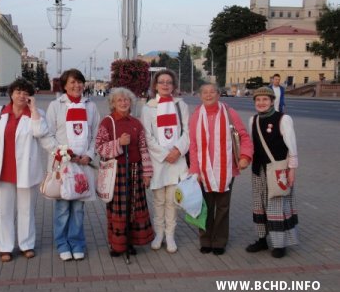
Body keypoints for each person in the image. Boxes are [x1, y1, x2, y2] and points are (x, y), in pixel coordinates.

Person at [0, 78, 50, 263]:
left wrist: (33, 111)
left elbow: (41, 133)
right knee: (4, 211)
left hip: (26, 170)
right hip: (3, 170)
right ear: (11, 93)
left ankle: (26, 245)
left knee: (26, 210)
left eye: (26, 93)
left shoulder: (37, 113)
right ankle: (4, 247)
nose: (21, 96)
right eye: (18, 92)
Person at [188, 83, 253, 255]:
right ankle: (205, 239)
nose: (208, 95)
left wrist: (245, 157)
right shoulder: (196, 116)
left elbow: (244, 137)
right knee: (205, 207)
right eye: (205, 92)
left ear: (218, 95)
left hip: (226, 169)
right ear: (200, 96)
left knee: (223, 207)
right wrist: (195, 171)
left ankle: (219, 241)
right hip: (203, 170)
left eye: (212, 92)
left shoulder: (230, 113)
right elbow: (193, 146)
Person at [44, 69, 100, 261]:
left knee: (78, 208)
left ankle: (77, 243)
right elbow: (48, 135)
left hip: (82, 165)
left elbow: (95, 135)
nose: (77, 86)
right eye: (72, 82)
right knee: (62, 208)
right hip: (63, 165)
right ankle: (62, 244)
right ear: (64, 85)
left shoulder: (90, 107)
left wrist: (90, 155)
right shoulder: (55, 106)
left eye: (80, 82)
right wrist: (63, 153)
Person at [96, 87, 154, 257]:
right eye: (119, 100)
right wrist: (119, 143)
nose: (123, 103)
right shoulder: (107, 122)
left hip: (135, 170)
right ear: (113, 103)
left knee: (134, 208)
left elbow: (143, 149)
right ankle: (116, 244)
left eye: (126, 100)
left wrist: (147, 173)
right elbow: (99, 148)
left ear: (131, 102)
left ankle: (130, 242)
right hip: (117, 171)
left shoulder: (136, 123)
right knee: (118, 209)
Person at [245, 87, 298, 258]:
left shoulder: (283, 119)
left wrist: (292, 171)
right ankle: (262, 240)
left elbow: (292, 147)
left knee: (276, 205)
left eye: (265, 100)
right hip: (258, 169)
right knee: (259, 204)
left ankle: (279, 245)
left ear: (272, 101)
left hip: (278, 169)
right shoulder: (252, 120)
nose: (261, 103)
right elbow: (252, 145)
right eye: (258, 100)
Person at [141, 69, 189, 253]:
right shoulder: (148, 107)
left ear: (174, 85)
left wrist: (177, 150)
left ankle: (170, 235)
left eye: (169, 82)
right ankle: (158, 233)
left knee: (172, 201)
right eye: (162, 82)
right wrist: (164, 154)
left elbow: (187, 131)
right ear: (155, 85)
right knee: (159, 200)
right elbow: (147, 136)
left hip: (177, 160)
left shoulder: (180, 105)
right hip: (158, 162)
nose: (165, 85)